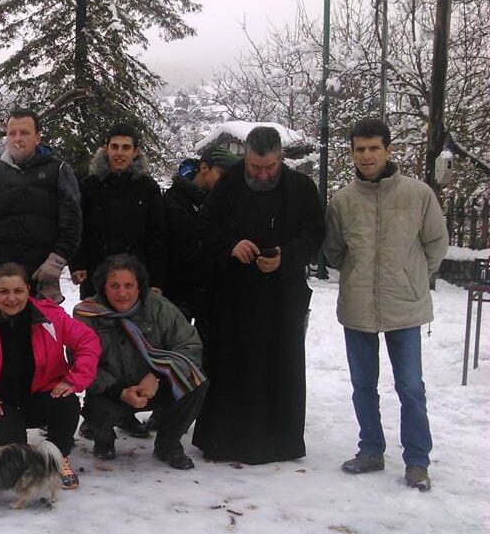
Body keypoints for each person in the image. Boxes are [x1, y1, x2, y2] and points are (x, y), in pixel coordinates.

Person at [324, 118, 448, 491]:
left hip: (404, 306)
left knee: (410, 386)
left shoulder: (418, 194)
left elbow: (435, 243)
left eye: (374, 147)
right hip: (359, 305)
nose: (366, 155)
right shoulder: (343, 201)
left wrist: (411, 277)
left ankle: (417, 460)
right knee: (363, 384)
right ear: (352, 153)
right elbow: (333, 251)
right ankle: (371, 449)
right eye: (359, 149)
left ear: (389, 150)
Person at [192, 126, 325, 464]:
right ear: (245, 158)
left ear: (280, 158)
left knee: (281, 366)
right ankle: (225, 441)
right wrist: (231, 246)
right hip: (235, 296)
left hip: (282, 296)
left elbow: (315, 235)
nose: (262, 175)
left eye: (269, 168)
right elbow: (205, 227)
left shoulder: (301, 188)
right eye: (254, 168)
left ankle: (279, 442)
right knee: (232, 365)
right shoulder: (230, 183)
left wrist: (286, 257)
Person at [0, 262, 101, 489]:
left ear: (28, 290)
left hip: (41, 396)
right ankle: (19, 460)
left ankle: (58, 458)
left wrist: (74, 379)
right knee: (13, 456)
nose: (11, 299)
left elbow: (88, 342)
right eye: (4, 291)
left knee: (67, 403)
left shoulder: (51, 318)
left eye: (18, 291)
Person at [74, 255, 207, 468]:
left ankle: (168, 443)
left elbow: (190, 346)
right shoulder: (86, 314)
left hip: (154, 386)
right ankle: (103, 438)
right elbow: (81, 365)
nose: (122, 293)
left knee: (196, 383)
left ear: (140, 286)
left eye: (129, 285)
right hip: (111, 391)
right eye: (114, 285)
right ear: (103, 287)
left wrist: (157, 375)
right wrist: (119, 391)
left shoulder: (159, 307)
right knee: (96, 407)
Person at [0, 108, 81, 303]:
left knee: (37, 333)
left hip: (38, 275)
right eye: (12, 133)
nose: (17, 138)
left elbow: (72, 222)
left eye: (24, 133)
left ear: (37, 138)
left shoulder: (58, 170)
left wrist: (55, 262)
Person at [70, 122, 167, 299]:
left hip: (136, 277)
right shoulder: (89, 186)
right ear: (106, 149)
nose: (119, 153)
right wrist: (77, 264)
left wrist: (156, 281)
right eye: (114, 147)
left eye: (126, 147)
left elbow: (157, 236)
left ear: (135, 152)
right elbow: (78, 229)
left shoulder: (148, 187)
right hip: (96, 275)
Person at [163, 146, 240, 325]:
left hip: (209, 293)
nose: (226, 182)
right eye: (222, 174)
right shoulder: (174, 201)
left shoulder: (220, 202)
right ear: (204, 168)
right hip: (178, 292)